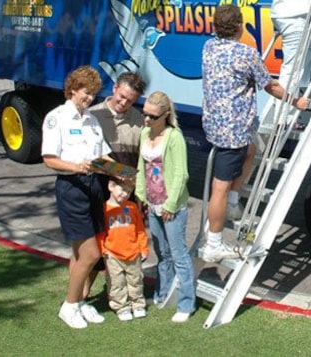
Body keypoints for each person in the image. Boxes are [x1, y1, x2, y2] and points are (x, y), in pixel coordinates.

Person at [200, 4, 308, 262]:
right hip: (233, 130)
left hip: (215, 125)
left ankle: (234, 202)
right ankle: (213, 243)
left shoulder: (209, 47)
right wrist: (296, 102)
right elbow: (270, 86)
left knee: (253, 149)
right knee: (219, 188)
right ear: (239, 27)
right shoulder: (245, 53)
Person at [42, 65, 112, 329]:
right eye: (85, 93)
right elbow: (49, 159)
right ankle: (69, 306)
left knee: (79, 254)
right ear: (72, 90)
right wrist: (77, 167)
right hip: (72, 188)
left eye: (93, 94)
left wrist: (122, 171)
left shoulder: (92, 120)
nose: (89, 98)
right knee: (90, 254)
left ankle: (80, 301)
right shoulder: (56, 118)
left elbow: (103, 155)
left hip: (95, 186)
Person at [136, 91, 196, 323]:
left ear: (165, 115)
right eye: (145, 115)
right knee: (162, 253)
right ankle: (162, 293)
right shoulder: (144, 133)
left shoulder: (174, 137)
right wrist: (141, 196)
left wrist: (170, 205)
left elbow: (182, 174)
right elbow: (141, 168)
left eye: (152, 117)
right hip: (152, 204)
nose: (147, 120)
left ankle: (186, 303)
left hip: (172, 207)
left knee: (179, 254)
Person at [97, 178, 149, 322]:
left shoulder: (132, 207)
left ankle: (137, 304)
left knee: (136, 280)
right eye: (122, 189)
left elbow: (140, 229)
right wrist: (103, 249)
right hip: (113, 254)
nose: (125, 194)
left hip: (133, 252)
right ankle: (121, 306)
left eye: (129, 191)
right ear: (111, 186)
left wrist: (143, 248)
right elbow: (101, 232)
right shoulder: (104, 209)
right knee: (116, 282)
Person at [89, 72, 147, 168]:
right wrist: (119, 172)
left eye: (130, 101)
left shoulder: (140, 121)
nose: (124, 103)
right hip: (96, 179)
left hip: (128, 180)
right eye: (122, 96)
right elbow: (88, 154)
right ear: (115, 88)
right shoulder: (92, 116)